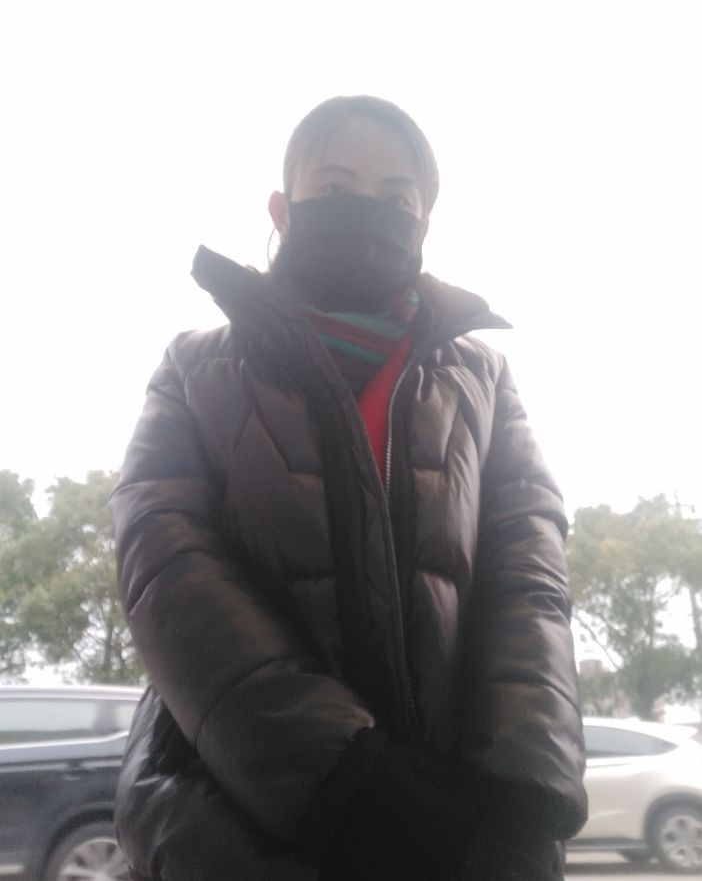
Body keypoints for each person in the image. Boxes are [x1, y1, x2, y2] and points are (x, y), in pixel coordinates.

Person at [110, 95, 587, 881]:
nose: (368, 210)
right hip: (231, 819)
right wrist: (343, 779)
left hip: (457, 823)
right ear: (282, 209)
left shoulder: (484, 379)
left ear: (424, 223)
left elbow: (529, 577)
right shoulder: (194, 368)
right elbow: (166, 565)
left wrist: (525, 799)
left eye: (398, 197)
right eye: (335, 187)